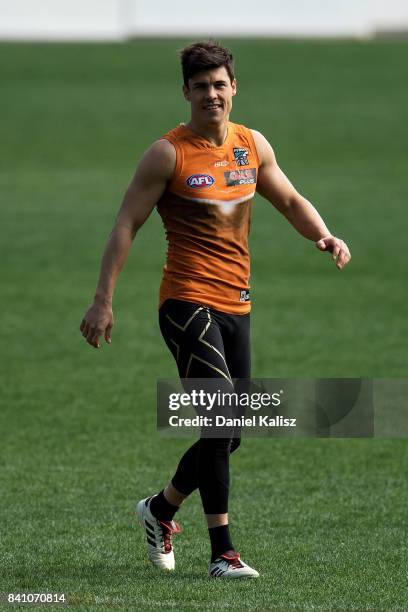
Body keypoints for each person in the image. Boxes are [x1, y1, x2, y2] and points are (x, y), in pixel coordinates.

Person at [79, 41, 351, 579]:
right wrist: (102, 300)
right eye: (200, 86)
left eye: (219, 84)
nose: (211, 94)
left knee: (229, 431)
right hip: (185, 303)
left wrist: (322, 235)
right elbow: (125, 224)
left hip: (237, 304)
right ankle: (223, 553)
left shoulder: (252, 146)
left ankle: (160, 509)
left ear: (233, 88)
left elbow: (291, 200)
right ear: (186, 92)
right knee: (222, 415)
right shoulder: (168, 154)